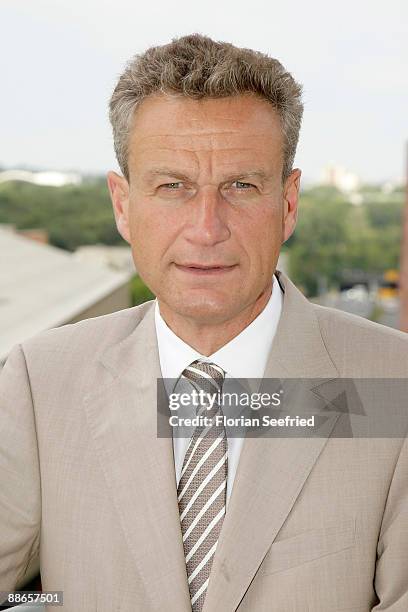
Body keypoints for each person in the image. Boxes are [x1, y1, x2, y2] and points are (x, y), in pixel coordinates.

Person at [1, 33, 407, 612]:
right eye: (173, 187)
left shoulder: (394, 387)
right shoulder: (41, 383)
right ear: (122, 204)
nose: (206, 227)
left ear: (288, 204)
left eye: (241, 186)